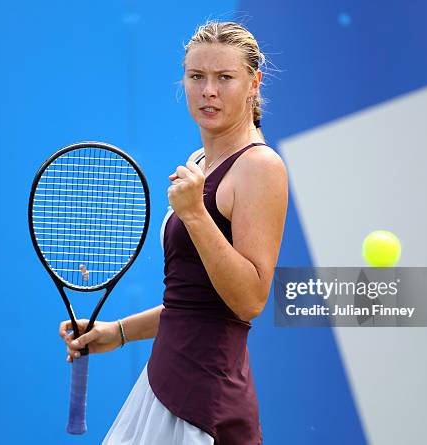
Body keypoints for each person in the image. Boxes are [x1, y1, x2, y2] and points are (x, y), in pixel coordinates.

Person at [59, 20, 287, 445]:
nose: (208, 91)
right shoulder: (200, 159)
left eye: (224, 77)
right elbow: (193, 304)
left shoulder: (261, 167)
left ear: (254, 83)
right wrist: (119, 331)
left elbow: (249, 300)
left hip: (205, 399)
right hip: (164, 381)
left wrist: (197, 217)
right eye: (196, 76)